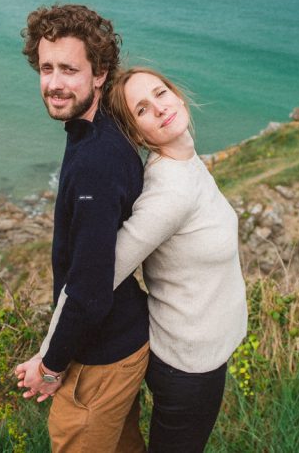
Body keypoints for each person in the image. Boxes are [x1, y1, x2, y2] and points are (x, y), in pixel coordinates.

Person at [32, 67, 248, 453]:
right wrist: (49, 357)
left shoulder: (185, 161)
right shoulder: (168, 196)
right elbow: (96, 274)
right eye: (142, 111)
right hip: (187, 365)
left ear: (178, 95)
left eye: (161, 94)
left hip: (201, 353)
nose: (160, 109)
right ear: (138, 135)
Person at [13, 5, 150, 453]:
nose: (54, 83)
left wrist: (50, 366)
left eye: (69, 70)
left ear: (99, 75)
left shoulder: (96, 160)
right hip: (124, 340)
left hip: (101, 357)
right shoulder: (100, 130)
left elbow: (89, 290)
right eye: (46, 67)